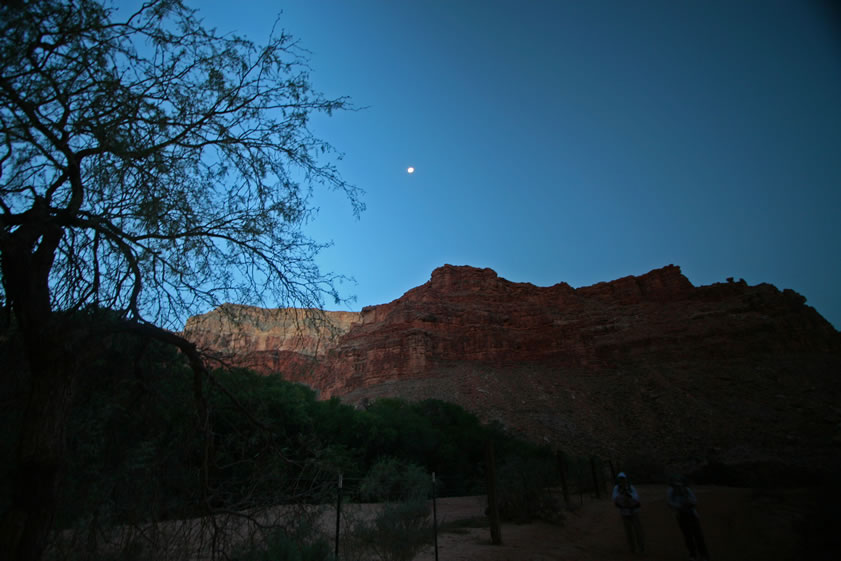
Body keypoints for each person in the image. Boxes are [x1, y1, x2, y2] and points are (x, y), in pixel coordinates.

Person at [667, 475, 709, 561]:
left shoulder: (680, 490)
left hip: (687, 514)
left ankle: (698, 554)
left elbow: (671, 503)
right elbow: (671, 502)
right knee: (691, 535)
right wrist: (683, 505)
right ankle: (697, 554)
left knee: (694, 535)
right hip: (686, 514)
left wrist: (682, 505)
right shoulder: (676, 490)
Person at [612, 472, 644, 553]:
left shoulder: (630, 487)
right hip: (624, 512)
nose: (622, 481)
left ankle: (641, 547)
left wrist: (627, 495)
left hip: (633, 511)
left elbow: (636, 498)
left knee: (637, 530)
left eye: (623, 479)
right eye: (620, 479)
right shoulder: (617, 488)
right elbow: (615, 499)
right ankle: (632, 548)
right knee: (629, 531)